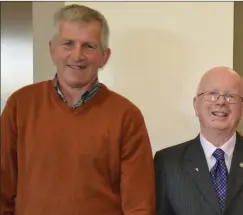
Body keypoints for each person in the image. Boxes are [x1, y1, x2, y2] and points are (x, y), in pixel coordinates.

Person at [0, 4, 155, 215]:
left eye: (89, 46)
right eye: (68, 44)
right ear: (52, 50)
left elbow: (139, 206)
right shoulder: (20, 105)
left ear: (104, 57)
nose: (77, 55)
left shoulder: (127, 116)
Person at [154, 66, 243, 215]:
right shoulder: (167, 162)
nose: (221, 102)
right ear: (196, 105)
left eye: (231, 96)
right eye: (212, 94)